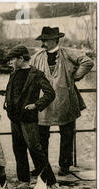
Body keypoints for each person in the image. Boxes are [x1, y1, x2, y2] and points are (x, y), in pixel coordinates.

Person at [31, 26, 94, 176]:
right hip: (44, 101)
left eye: (46, 40)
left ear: (55, 40)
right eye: (43, 40)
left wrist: (74, 77)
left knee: (67, 134)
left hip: (65, 99)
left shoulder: (67, 53)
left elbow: (88, 62)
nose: (44, 43)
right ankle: (42, 167)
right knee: (41, 135)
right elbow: (29, 72)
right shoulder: (38, 57)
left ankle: (65, 165)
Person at [4, 45, 64, 189]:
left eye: (12, 59)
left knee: (36, 150)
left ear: (21, 58)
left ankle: (52, 183)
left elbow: (50, 94)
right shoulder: (14, 74)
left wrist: (36, 105)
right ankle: (23, 182)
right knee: (18, 149)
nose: (10, 62)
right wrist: (6, 101)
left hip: (28, 118)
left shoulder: (36, 74)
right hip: (14, 117)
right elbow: (10, 90)